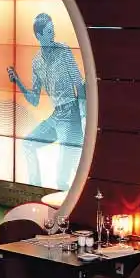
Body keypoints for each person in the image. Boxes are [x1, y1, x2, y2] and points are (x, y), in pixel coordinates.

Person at [7, 13, 86, 190]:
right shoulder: (36, 62)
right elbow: (35, 99)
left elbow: (79, 85)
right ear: (39, 35)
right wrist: (18, 82)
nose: (53, 35)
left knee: (62, 179)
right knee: (28, 143)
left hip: (71, 115)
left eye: (53, 30)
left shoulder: (63, 51)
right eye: (49, 32)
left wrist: (83, 117)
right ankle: (36, 191)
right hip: (56, 116)